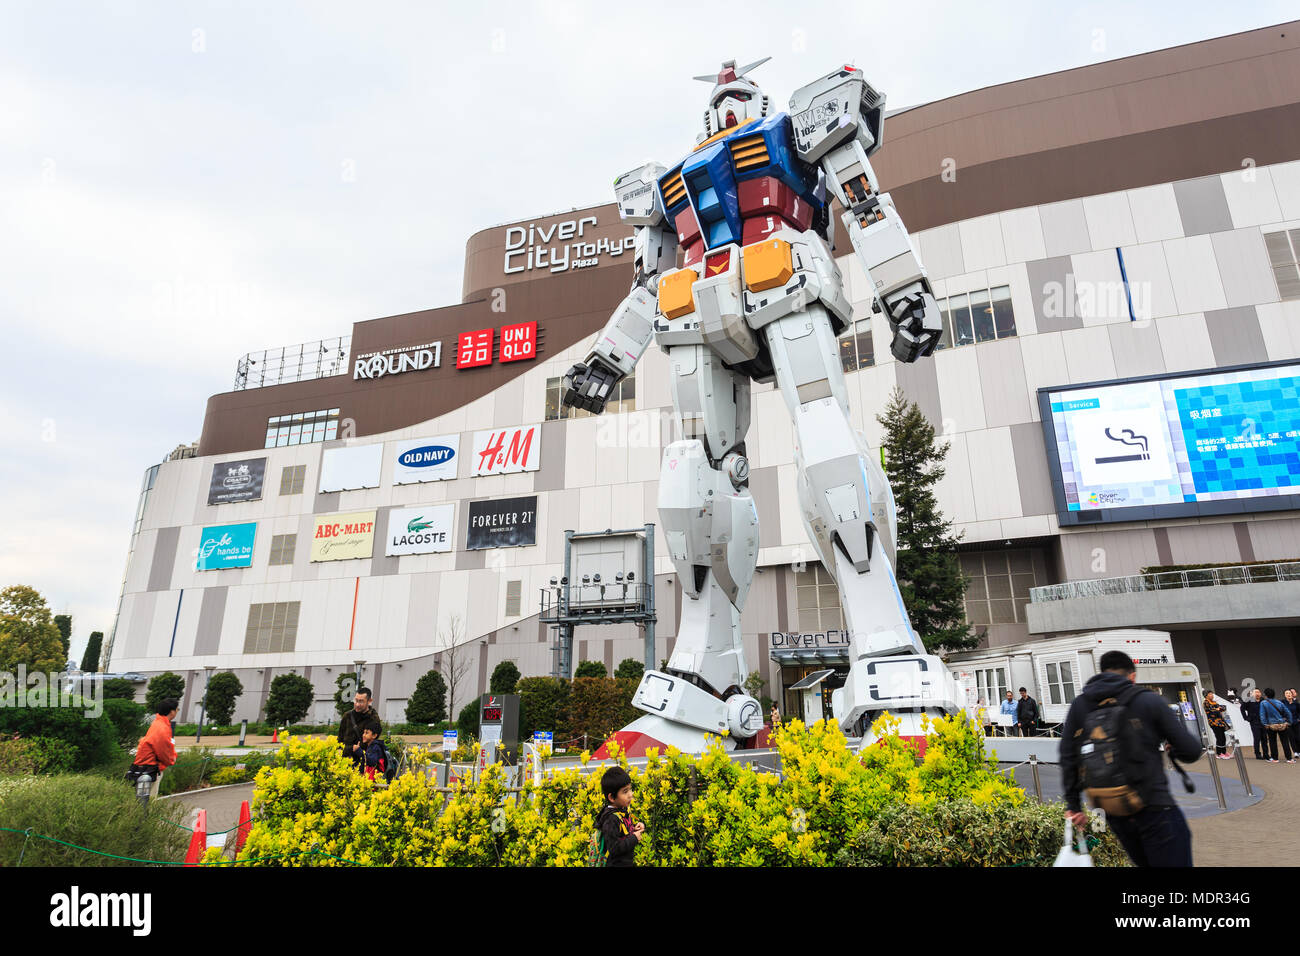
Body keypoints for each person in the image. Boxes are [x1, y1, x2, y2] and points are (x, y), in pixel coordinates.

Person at [1061, 651, 1203, 867]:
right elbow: (1192, 750)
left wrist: (1074, 805)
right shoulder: (1147, 700)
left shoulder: (1080, 705)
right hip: (1155, 806)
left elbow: (1068, 755)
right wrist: (1173, 748)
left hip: (1113, 809)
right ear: (1132, 676)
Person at [595, 766, 644, 867]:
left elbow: (622, 833)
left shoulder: (621, 810)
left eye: (630, 789)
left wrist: (634, 827)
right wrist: (634, 838)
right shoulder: (611, 819)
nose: (630, 794)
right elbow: (614, 848)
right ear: (612, 797)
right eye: (625, 791)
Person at [132, 698, 179, 779]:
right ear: (172, 711)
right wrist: (171, 759)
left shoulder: (158, 723)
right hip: (151, 768)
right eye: (177, 709)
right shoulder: (162, 727)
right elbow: (163, 751)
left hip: (145, 766)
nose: (177, 711)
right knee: (151, 791)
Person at [338, 687, 382, 762]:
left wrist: (355, 749)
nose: (357, 704)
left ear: (369, 701)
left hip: (363, 762)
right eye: (356, 700)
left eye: (361, 701)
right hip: (344, 761)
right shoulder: (347, 716)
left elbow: (372, 743)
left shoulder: (373, 719)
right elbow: (340, 739)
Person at [1259, 688, 1294, 764]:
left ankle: (1275, 758)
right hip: (1282, 724)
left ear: (1266, 695)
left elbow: (1262, 715)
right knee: (1285, 742)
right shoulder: (1279, 702)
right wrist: (1289, 722)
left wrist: (1265, 724)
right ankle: (1289, 758)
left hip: (1271, 725)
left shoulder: (1263, 703)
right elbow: (1288, 712)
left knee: (1272, 742)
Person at [1204, 691, 1229, 758]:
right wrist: (1217, 709)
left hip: (1220, 722)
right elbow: (1212, 711)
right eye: (1210, 694)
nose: (1211, 695)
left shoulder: (1214, 702)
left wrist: (1218, 709)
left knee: (1223, 737)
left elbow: (1223, 708)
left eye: (1212, 694)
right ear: (1206, 695)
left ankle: (1224, 751)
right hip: (1213, 722)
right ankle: (1219, 753)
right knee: (1219, 737)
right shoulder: (1206, 702)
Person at [1241, 689, 1265, 759]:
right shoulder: (1248, 700)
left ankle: (1266, 754)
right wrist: (1246, 718)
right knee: (1257, 738)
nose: (1257, 694)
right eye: (1256, 692)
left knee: (1264, 739)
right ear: (1252, 694)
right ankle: (1257, 754)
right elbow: (1242, 708)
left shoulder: (1263, 700)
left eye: (1259, 692)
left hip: (1263, 722)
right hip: (1254, 722)